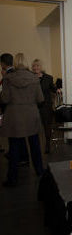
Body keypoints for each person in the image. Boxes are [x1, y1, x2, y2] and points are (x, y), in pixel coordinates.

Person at [0, 53, 44, 187]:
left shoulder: (8, 78)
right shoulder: (34, 78)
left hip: (15, 117)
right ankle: (40, 171)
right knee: (35, 145)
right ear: (26, 62)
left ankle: (12, 179)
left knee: (14, 149)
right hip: (31, 115)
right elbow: (40, 99)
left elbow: (5, 99)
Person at [0, 53, 29, 166]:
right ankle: (20, 156)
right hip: (20, 109)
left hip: (13, 109)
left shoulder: (9, 75)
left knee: (16, 137)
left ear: (3, 63)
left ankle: (19, 157)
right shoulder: (14, 74)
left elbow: (6, 97)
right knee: (18, 136)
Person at [31, 59, 57, 154]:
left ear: (41, 67)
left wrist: (56, 89)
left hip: (46, 106)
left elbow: (53, 88)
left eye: (37, 66)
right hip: (33, 106)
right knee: (34, 127)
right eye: (34, 66)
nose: (35, 68)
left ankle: (47, 145)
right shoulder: (29, 77)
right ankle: (35, 146)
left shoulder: (48, 78)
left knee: (47, 126)